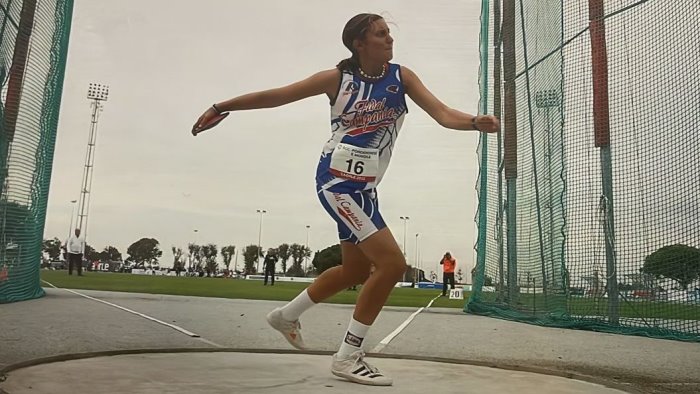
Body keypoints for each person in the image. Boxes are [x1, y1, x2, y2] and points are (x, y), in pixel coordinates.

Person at [192, 13, 499, 386]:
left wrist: (473, 122)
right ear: (359, 43)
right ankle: (348, 355)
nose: (390, 40)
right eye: (381, 34)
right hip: (337, 183)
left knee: (355, 271)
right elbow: (278, 95)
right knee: (391, 264)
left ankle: (286, 316)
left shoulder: (401, 77)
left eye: (389, 34)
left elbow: (443, 113)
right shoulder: (337, 79)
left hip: (365, 189)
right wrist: (221, 105)